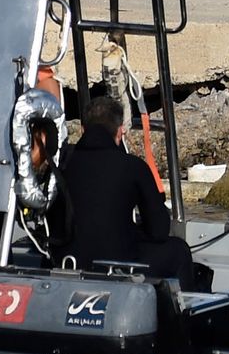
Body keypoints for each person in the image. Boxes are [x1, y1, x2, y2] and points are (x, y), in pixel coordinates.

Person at [51, 94, 194, 283]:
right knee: (179, 250)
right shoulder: (133, 166)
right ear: (120, 133)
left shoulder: (61, 165)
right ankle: (178, 310)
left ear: (83, 129)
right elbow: (159, 230)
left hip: (66, 261)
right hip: (117, 264)